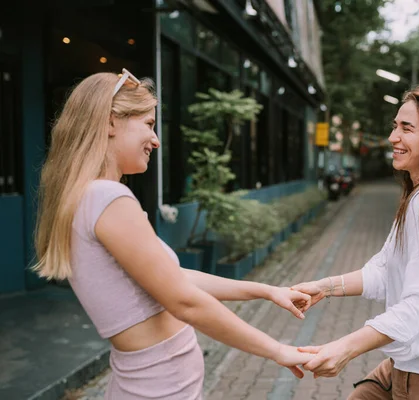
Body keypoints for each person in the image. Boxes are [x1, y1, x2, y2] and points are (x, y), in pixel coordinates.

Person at [32, 69, 312, 399]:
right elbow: (184, 301)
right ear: (109, 122)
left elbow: (173, 279)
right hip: (158, 389)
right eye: (149, 125)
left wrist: (265, 291)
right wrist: (276, 350)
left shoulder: (86, 196)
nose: (156, 140)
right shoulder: (106, 197)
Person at [293, 84, 419, 399]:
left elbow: (418, 304)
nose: (393, 137)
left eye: (407, 128)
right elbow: (386, 269)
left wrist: (346, 348)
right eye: (394, 126)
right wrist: (325, 286)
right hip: (409, 366)